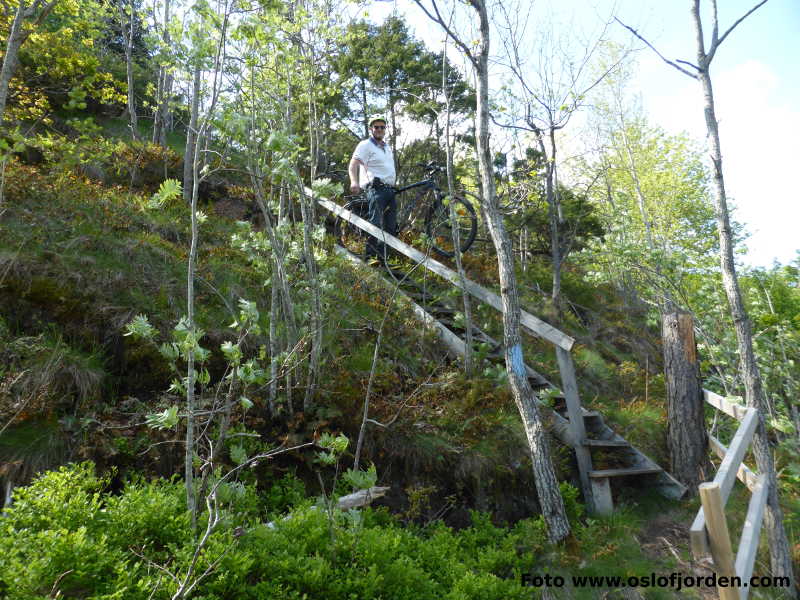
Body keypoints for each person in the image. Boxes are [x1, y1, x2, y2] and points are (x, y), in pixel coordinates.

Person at [348, 116, 396, 263]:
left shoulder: (387, 147)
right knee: (375, 224)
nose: (380, 129)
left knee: (390, 227)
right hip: (375, 189)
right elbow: (353, 164)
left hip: (390, 190)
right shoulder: (365, 145)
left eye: (382, 127)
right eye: (376, 127)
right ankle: (370, 259)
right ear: (371, 129)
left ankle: (383, 259)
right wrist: (354, 182)